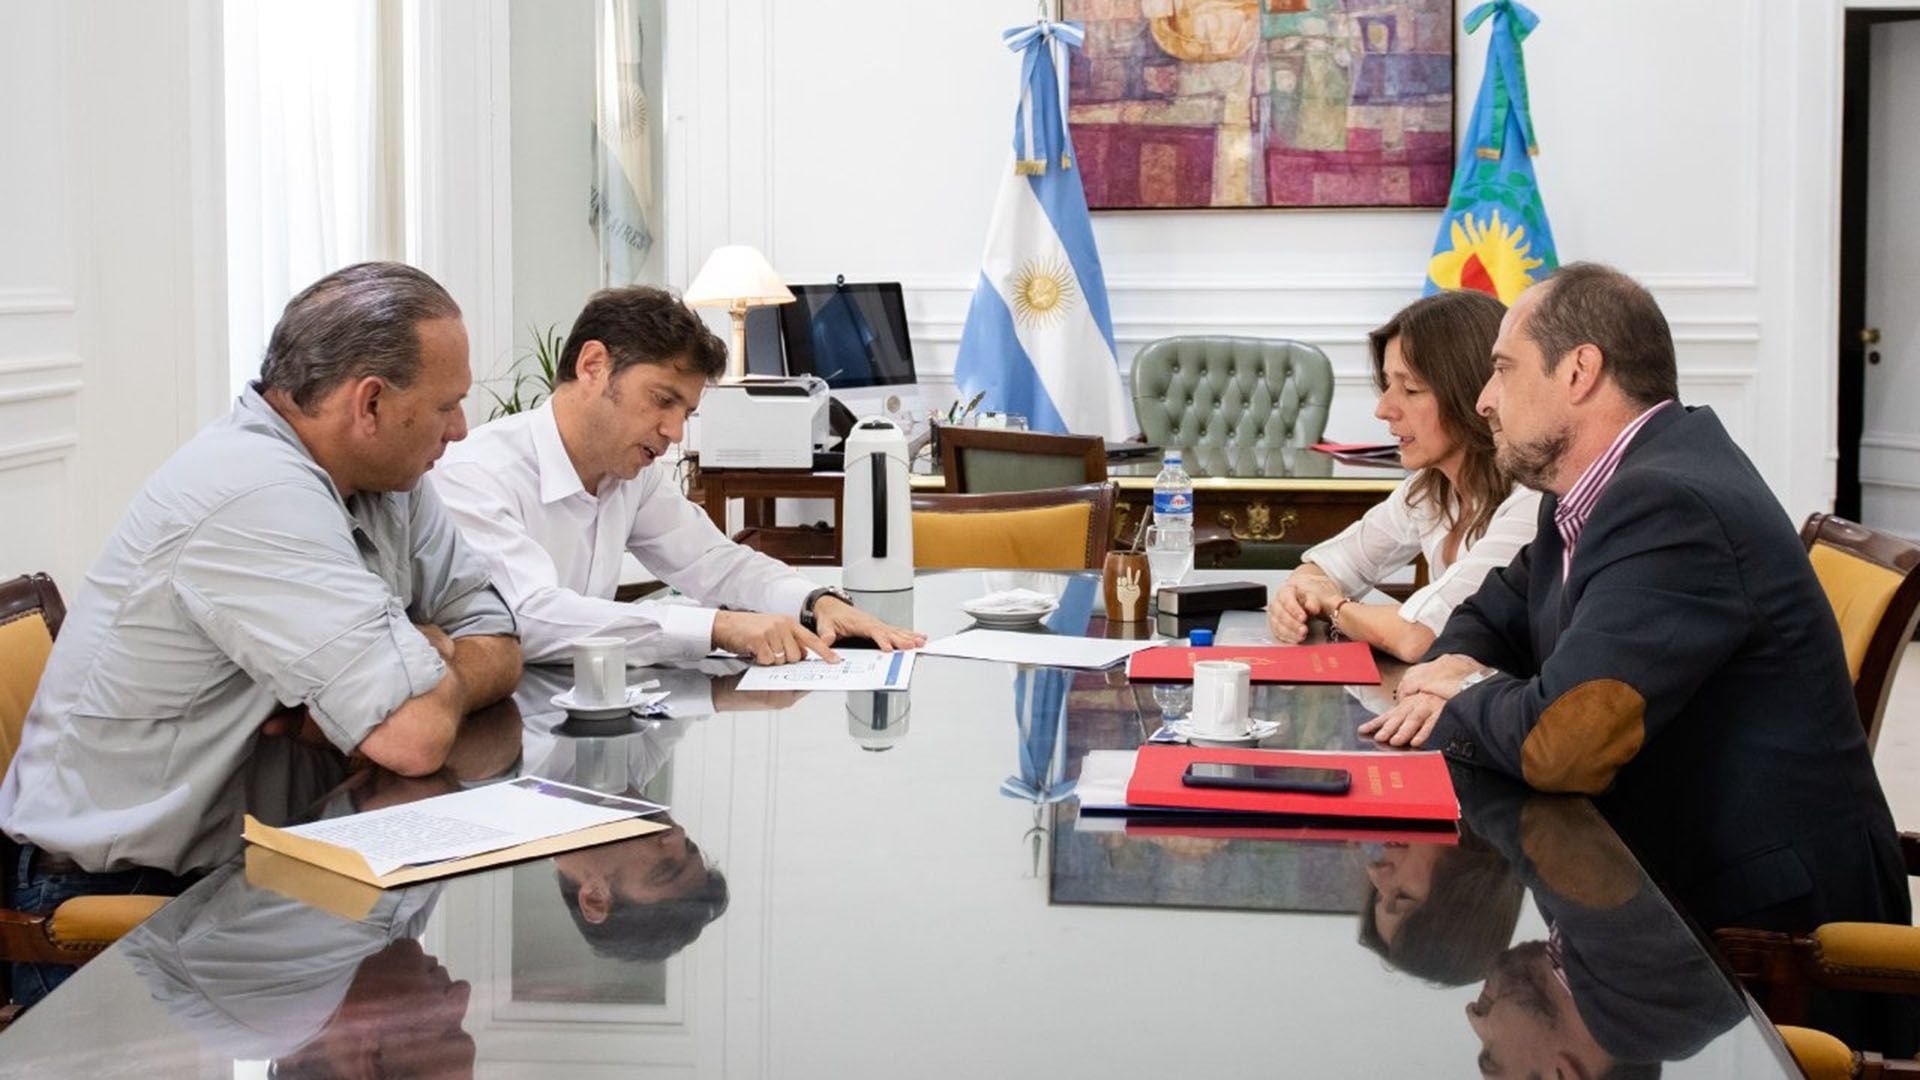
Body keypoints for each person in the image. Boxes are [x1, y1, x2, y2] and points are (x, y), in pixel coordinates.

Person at [0, 262, 523, 1006]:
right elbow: (413, 737)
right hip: (133, 906)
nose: (461, 430)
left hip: (268, 869)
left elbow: (497, 627)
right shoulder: (254, 492)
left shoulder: (384, 477)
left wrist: (438, 660)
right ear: (369, 403)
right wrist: (422, 658)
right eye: (448, 406)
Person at [1361, 264, 1909, 944]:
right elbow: (1490, 613)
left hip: (1767, 933)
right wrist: (1458, 670)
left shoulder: (1670, 504)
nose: (1484, 401)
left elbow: (1563, 745)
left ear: (1579, 371)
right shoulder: (1591, 488)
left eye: (1503, 369)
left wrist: (1463, 687)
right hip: (1666, 874)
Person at [430, 286, 924, 669]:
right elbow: (531, 618)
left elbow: (714, 563)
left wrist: (815, 601)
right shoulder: (475, 475)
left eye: (685, 411)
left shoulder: (629, 474)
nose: (673, 432)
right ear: (593, 366)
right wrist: (717, 627)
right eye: (663, 400)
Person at [1268, 291, 1541, 661]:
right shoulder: (1430, 488)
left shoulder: (1531, 500)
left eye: (1410, 389)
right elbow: (1329, 565)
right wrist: (1296, 596)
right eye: (1387, 385)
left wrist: (1334, 606)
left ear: (1472, 393)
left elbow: (1419, 637)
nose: (1384, 409)